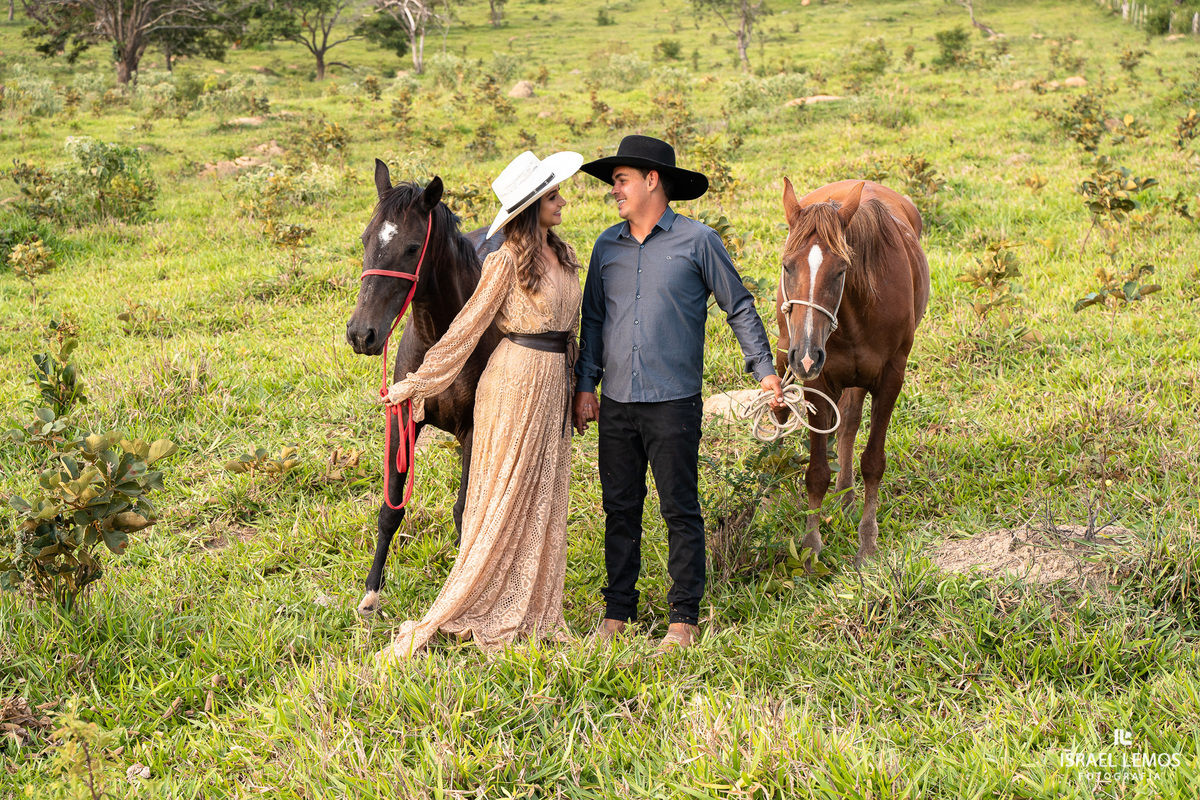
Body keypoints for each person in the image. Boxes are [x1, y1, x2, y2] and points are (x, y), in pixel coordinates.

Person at [572, 135, 784, 653]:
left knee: (679, 510)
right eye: (614, 182)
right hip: (616, 401)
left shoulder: (698, 241)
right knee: (619, 508)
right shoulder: (606, 247)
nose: (614, 190)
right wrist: (585, 386)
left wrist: (764, 371)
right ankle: (617, 613)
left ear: (652, 181)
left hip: (673, 401)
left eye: (621, 180)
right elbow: (593, 321)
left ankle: (683, 619)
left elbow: (738, 306)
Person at [377, 150, 584, 661]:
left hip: (552, 387)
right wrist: (417, 382)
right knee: (504, 495)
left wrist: (581, 386)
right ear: (531, 207)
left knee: (541, 498)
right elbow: (466, 328)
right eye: (553, 195)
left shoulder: (565, 255)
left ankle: (530, 601)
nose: (562, 201)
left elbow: (573, 330)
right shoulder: (504, 261)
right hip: (512, 384)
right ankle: (479, 596)